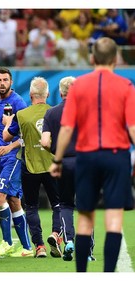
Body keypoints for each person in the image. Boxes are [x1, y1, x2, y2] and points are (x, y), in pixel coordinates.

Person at [49, 37, 135, 272]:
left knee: (86, 218)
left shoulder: (79, 87)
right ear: (116, 59)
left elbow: (67, 128)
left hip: (85, 157)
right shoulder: (126, 86)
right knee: (114, 218)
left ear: (92, 58)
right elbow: (132, 128)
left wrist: (57, 160)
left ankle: (81, 274)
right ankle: (108, 273)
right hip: (116, 157)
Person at [3, 76, 62, 258]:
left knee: (31, 207)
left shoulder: (21, 115)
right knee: (58, 205)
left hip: (30, 167)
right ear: (48, 94)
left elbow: (6, 137)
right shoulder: (54, 112)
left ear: (30, 95)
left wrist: (7, 123)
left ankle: (39, 246)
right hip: (52, 165)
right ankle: (55, 234)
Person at [41, 76, 95, 262]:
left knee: (65, 205)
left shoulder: (51, 113)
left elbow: (45, 141)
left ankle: (69, 241)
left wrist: (56, 151)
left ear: (61, 92)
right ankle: (87, 251)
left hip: (63, 162)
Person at [0, 67, 33, 258]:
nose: (2, 83)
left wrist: (9, 148)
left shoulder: (18, 102)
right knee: (13, 200)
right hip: (4, 159)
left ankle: (7, 242)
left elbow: (27, 136)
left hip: (14, 158)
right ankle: (27, 247)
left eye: (5, 80)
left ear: (11, 81)